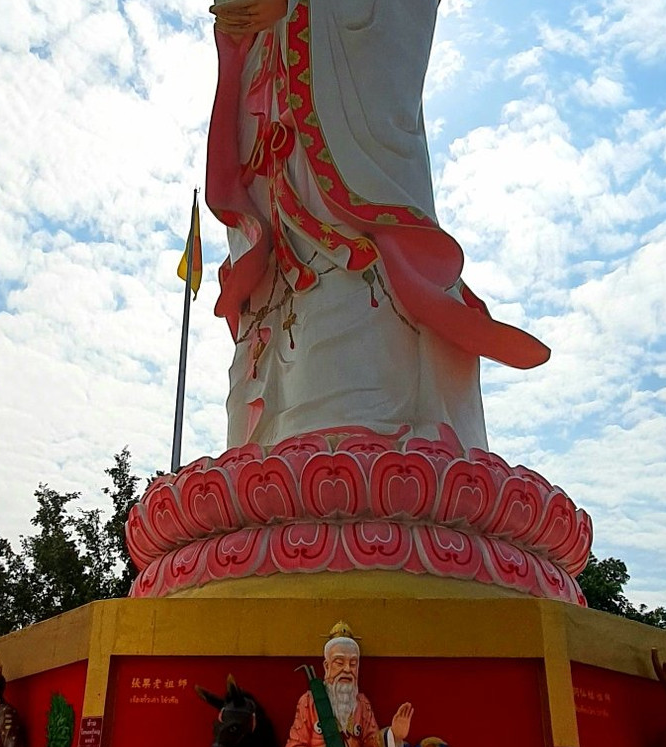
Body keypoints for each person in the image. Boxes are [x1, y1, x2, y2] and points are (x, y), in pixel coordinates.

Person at [206, 0, 549, 451]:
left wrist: (297, 5)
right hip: (274, 193)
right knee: (264, 429)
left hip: (349, 228)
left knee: (346, 404)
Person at [265, 624, 414, 747]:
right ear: (327, 666)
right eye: (339, 662)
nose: (347, 669)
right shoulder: (309, 701)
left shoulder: (362, 704)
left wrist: (393, 736)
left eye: (353, 663)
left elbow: (370, 746)